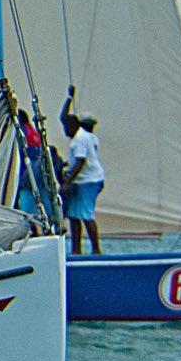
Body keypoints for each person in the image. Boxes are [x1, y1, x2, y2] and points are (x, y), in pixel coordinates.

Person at [60, 107, 105, 254]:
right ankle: (76, 250)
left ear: (73, 126)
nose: (65, 131)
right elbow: (63, 117)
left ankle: (96, 251)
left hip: (89, 181)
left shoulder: (80, 139)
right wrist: (69, 97)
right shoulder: (84, 136)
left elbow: (81, 161)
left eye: (66, 128)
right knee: (74, 215)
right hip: (80, 181)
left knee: (86, 215)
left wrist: (66, 183)